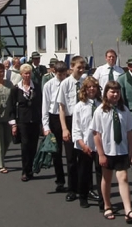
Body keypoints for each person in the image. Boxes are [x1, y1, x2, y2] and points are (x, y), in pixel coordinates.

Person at [91, 81, 132, 223]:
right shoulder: (100, 110)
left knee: (123, 178)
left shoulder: (124, 110)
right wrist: (100, 154)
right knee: (106, 179)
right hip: (107, 151)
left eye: (117, 92)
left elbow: (130, 132)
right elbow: (96, 134)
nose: (115, 94)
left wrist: (131, 152)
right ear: (106, 93)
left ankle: (128, 210)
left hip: (122, 151)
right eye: (112, 92)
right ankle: (107, 205)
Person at [57, 55, 87, 201]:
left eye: (83, 68)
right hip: (69, 121)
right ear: (72, 67)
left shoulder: (86, 83)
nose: (81, 70)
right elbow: (61, 108)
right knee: (71, 158)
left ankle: (84, 189)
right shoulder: (65, 84)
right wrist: (64, 128)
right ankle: (72, 189)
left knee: (84, 158)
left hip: (83, 122)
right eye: (78, 67)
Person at [72, 76, 103, 209]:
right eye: (89, 87)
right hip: (85, 144)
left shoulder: (102, 105)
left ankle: (103, 201)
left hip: (100, 145)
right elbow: (76, 128)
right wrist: (82, 145)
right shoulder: (79, 106)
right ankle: (83, 197)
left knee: (101, 174)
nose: (91, 89)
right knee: (84, 172)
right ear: (84, 89)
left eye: (94, 87)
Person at [8, 63, 42, 181]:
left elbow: (40, 104)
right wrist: (13, 125)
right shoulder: (16, 89)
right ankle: (25, 171)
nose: (27, 76)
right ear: (21, 74)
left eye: (29, 73)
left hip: (35, 120)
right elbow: (11, 107)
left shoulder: (36, 87)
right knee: (25, 146)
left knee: (33, 146)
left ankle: (31, 168)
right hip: (23, 121)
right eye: (25, 74)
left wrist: (42, 122)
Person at [42, 60, 69, 192]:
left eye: (64, 74)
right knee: (56, 151)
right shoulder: (49, 85)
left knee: (70, 151)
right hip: (54, 118)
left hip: (67, 117)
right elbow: (45, 106)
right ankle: (60, 180)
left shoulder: (69, 83)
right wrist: (46, 126)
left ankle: (73, 181)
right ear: (54, 72)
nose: (62, 76)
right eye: (60, 74)